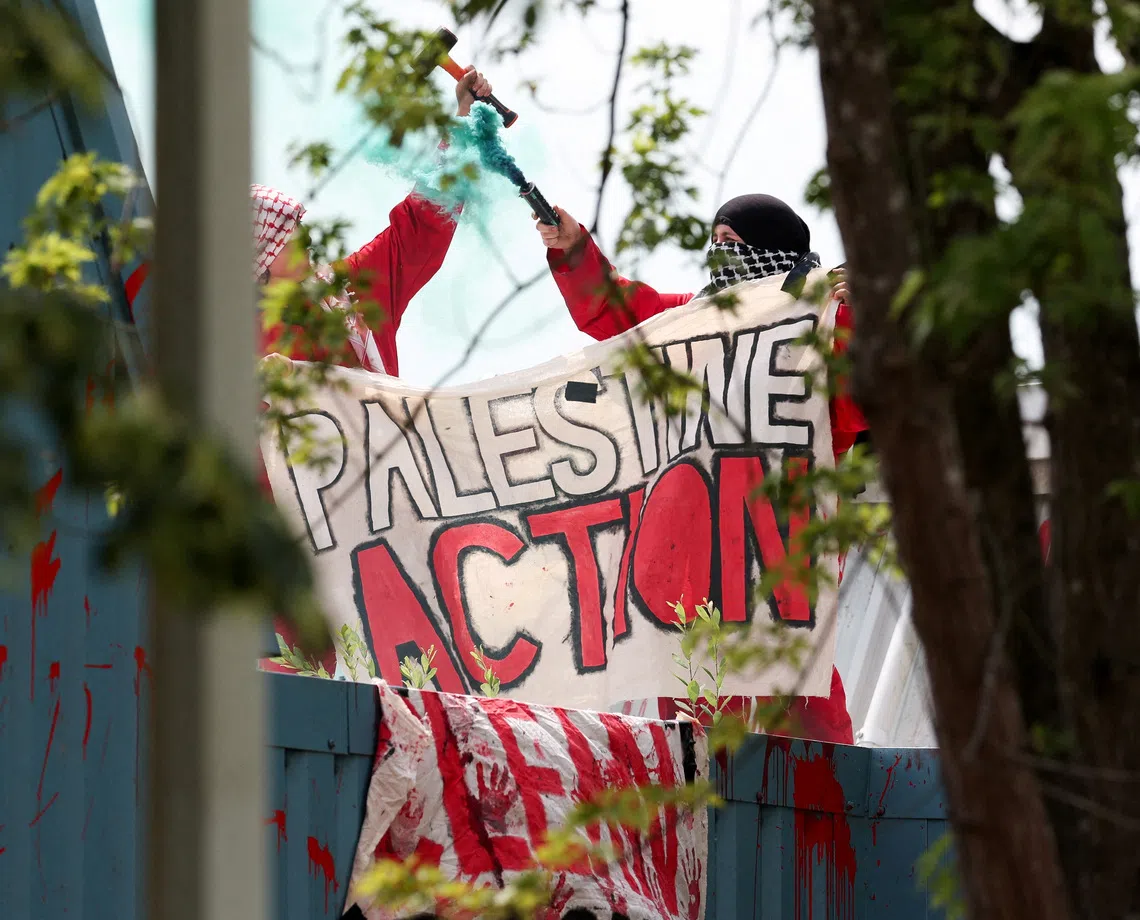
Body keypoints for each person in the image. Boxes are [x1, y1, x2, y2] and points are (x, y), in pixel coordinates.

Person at [536, 194, 867, 744]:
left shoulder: (822, 327)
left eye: (733, 245)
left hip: (783, 575)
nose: (720, 257)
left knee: (809, 727)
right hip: (700, 581)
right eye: (714, 244)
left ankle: (835, 826)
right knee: (697, 732)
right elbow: (622, 311)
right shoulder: (693, 322)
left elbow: (860, 405)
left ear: (773, 251)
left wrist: (858, 322)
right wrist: (575, 251)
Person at [255, 65, 494, 377]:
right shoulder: (234, 345)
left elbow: (418, 229)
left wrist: (463, 120)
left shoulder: (350, 289)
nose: (305, 239)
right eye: (286, 234)